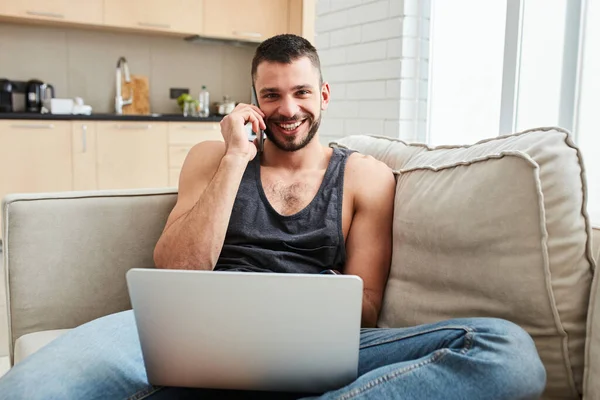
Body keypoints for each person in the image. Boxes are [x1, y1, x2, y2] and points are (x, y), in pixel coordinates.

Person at [0, 34, 546, 400]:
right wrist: (237, 156)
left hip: (317, 344)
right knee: (28, 388)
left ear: (324, 95)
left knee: (508, 353)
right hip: (200, 334)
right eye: (272, 95)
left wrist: (292, 308)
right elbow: (177, 269)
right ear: (254, 103)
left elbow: (368, 308)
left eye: (302, 91)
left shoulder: (366, 178)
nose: (288, 109)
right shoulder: (213, 159)